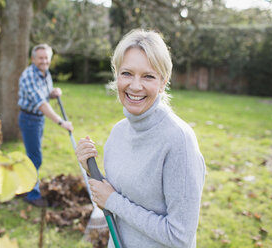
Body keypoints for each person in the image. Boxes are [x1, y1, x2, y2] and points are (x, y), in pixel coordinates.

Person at [75, 29, 206, 247]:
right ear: (116, 75)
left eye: (148, 76)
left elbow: (180, 237)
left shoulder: (179, 141)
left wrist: (113, 201)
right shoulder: (118, 132)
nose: (135, 86)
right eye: (127, 73)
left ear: (163, 82)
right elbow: (115, 199)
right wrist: (91, 171)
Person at [18, 44, 73, 207]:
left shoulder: (44, 73)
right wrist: (61, 122)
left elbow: (44, 94)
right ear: (33, 59)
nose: (43, 61)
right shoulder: (29, 75)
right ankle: (32, 195)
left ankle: (24, 186)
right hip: (29, 119)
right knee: (35, 157)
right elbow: (41, 103)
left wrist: (53, 92)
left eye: (46, 58)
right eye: (40, 58)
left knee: (33, 156)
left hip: (38, 119)